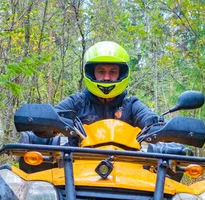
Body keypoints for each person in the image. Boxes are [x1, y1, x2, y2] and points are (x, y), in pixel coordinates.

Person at [19, 41, 161, 146]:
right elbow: (53, 115)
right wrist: (43, 123)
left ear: (121, 74)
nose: (106, 77)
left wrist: (158, 125)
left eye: (112, 72)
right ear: (92, 73)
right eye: (101, 71)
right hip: (76, 168)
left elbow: (148, 118)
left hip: (127, 169)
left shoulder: (131, 105)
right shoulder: (76, 102)